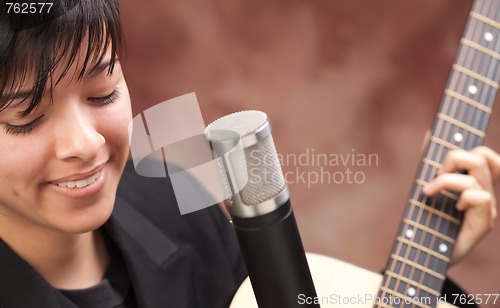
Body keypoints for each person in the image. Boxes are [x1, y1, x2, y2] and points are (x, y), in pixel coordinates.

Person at [0, 1, 498, 307]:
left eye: (103, 93)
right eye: (25, 119)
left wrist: (423, 266)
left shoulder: (169, 199)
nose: (86, 144)